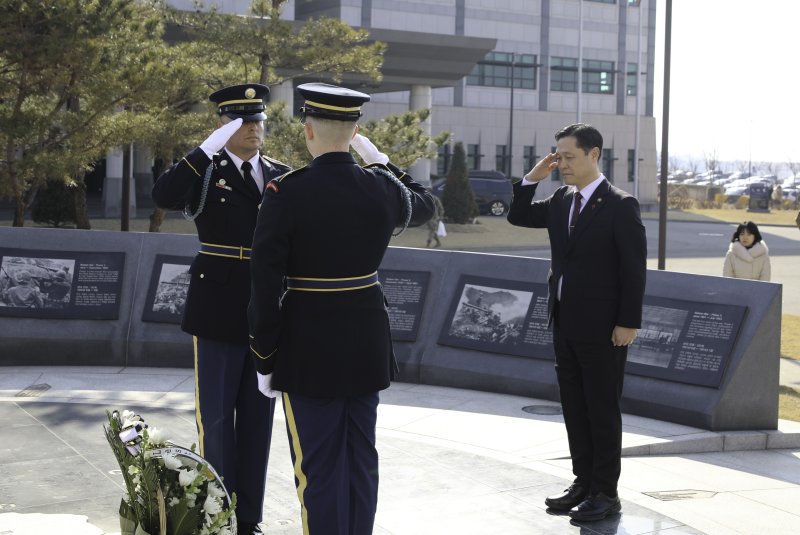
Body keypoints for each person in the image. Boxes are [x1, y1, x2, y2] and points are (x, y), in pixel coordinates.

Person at [247, 83, 435, 535]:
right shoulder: (381, 188)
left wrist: (264, 355)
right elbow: (426, 205)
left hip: (308, 346)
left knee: (318, 465)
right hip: (366, 342)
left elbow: (265, 282)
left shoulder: (285, 191)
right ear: (355, 133)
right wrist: (382, 162)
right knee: (360, 458)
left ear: (307, 130)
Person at [152, 83, 291, 535]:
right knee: (215, 417)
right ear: (224, 125)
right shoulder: (206, 171)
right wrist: (202, 150)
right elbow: (164, 195)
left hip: (265, 306)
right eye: (243, 122)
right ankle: (217, 514)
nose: (254, 129)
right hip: (216, 305)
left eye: (258, 122)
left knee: (257, 420)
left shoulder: (280, 173)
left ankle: (248, 518)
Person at [507, 123, 647, 521]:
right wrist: (533, 178)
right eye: (558, 156)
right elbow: (518, 216)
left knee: (602, 410)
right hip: (565, 322)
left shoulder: (621, 205)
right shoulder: (560, 200)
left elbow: (633, 270)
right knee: (574, 407)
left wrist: (628, 322)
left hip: (605, 329)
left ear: (594, 154)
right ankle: (583, 482)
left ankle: (606, 492)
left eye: (569, 156)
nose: (561, 163)